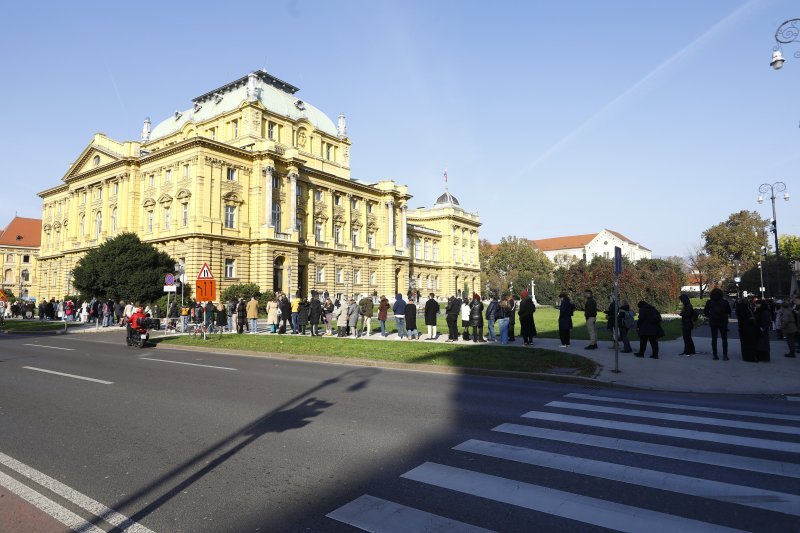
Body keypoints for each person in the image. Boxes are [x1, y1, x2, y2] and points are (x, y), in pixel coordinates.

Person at [703, 288, 731, 361]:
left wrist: (711, 316)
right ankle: (725, 355)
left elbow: (705, 312)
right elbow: (729, 311)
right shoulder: (725, 302)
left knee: (714, 339)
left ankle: (715, 355)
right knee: (724, 339)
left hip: (713, 322)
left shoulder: (709, 302)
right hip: (723, 322)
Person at [735, 296, 759, 362]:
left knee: (744, 343)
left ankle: (745, 356)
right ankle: (750, 356)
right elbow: (747, 318)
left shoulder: (739, 308)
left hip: (742, 327)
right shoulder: (746, 308)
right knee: (750, 342)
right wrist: (752, 319)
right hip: (748, 327)